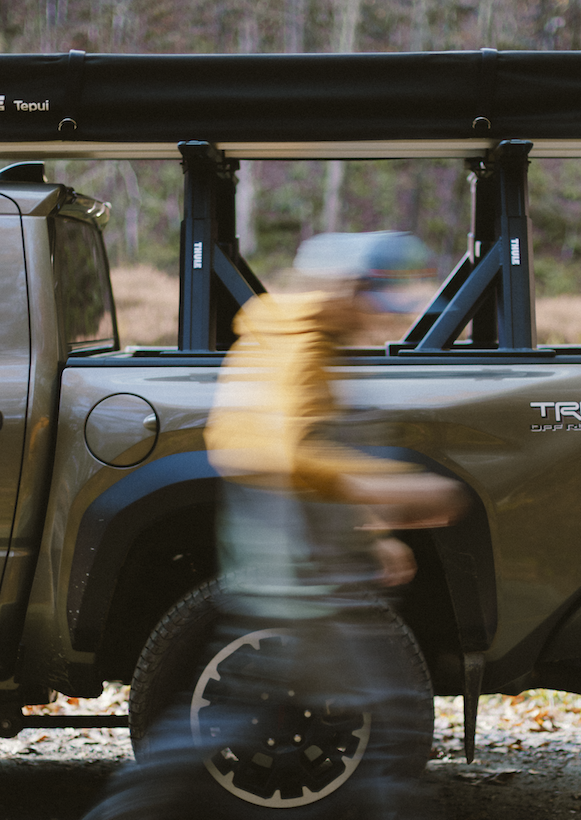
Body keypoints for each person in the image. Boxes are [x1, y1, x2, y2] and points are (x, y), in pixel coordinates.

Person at [83, 232, 463, 820]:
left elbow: (321, 445)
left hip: (314, 570)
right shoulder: (296, 345)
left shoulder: (321, 341)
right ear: (345, 288)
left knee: (294, 716)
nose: (379, 314)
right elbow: (283, 450)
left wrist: (372, 528)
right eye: (373, 297)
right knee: (378, 713)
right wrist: (382, 491)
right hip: (296, 575)